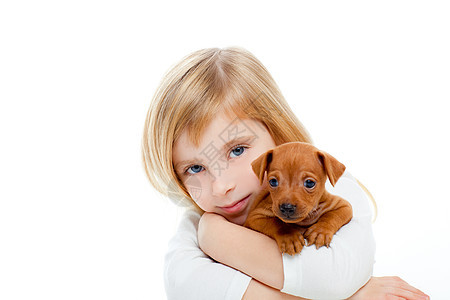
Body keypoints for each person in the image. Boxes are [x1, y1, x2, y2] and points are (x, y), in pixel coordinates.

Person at [142, 47, 429, 299]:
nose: (221, 186)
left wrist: (218, 240)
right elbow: (184, 286)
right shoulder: (196, 228)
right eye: (195, 168)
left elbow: (334, 278)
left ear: (277, 132)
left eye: (238, 150)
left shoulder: (331, 187)